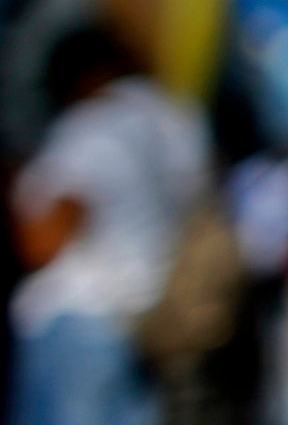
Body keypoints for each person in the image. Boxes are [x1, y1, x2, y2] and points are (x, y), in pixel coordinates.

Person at [7, 25, 212, 425]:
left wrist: (19, 193)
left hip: (73, 325)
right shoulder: (179, 122)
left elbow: (44, 243)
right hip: (142, 326)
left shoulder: (91, 128)